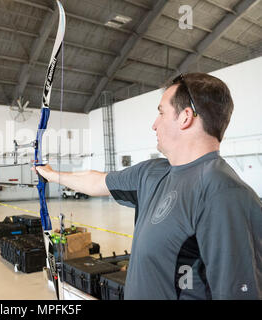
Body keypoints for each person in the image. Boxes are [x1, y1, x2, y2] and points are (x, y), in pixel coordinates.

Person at [33, 73, 262, 300]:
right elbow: (96, 181)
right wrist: (52, 175)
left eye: (161, 113)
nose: (154, 124)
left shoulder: (224, 194)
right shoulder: (152, 172)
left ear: (185, 117)